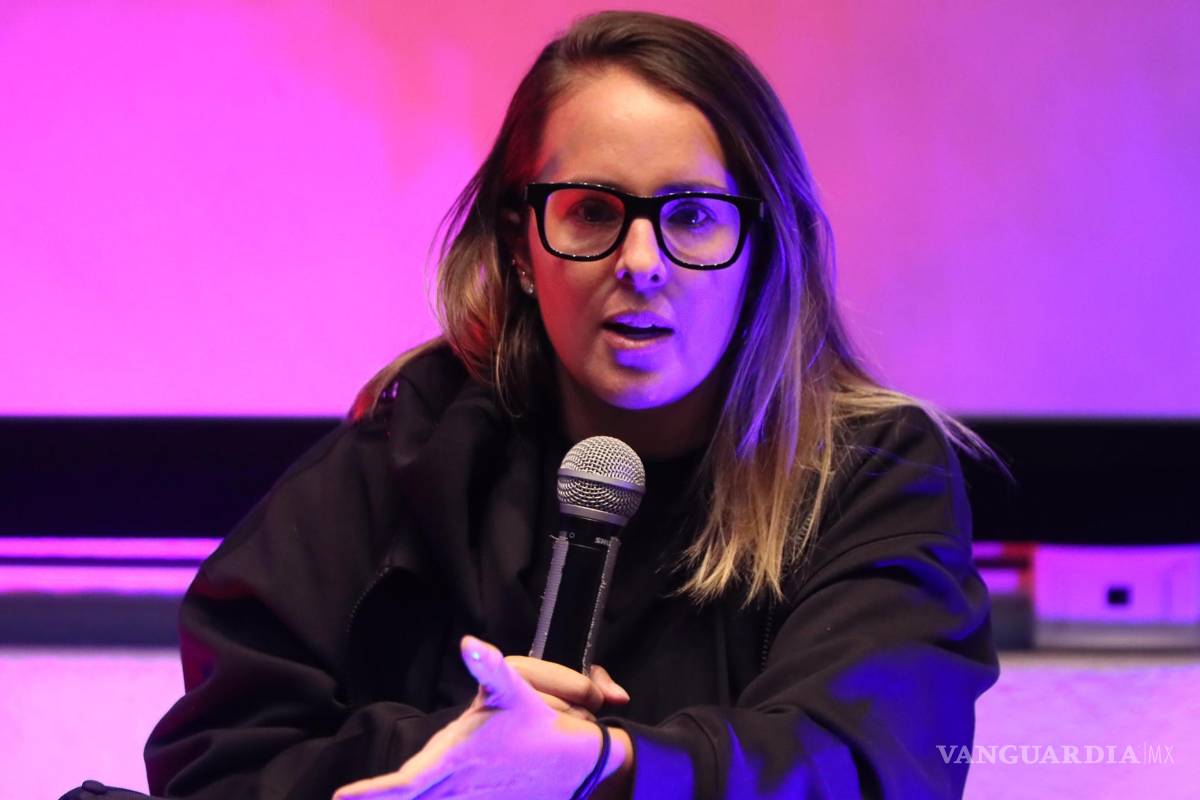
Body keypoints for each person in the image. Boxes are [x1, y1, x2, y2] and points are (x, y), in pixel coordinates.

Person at [144, 10, 1000, 800]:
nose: (641, 261)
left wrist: (600, 763)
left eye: (693, 215)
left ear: (761, 249)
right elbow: (221, 756)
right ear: (521, 246)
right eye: (592, 211)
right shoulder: (414, 444)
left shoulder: (873, 473)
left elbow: (865, 763)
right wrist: (459, 756)